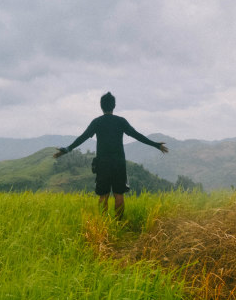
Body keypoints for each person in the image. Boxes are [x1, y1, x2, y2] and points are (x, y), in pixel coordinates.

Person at [54, 92, 168, 220]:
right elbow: (137, 135)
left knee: (103, 196)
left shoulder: (97, 122)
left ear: (101, 106)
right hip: (118, 163)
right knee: (119, 195)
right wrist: (156, 145)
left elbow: (82, 137)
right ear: (114, 106)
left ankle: (104, 225)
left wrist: (67, 149)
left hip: (102, 163)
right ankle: (118, 223)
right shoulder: (121, 121)